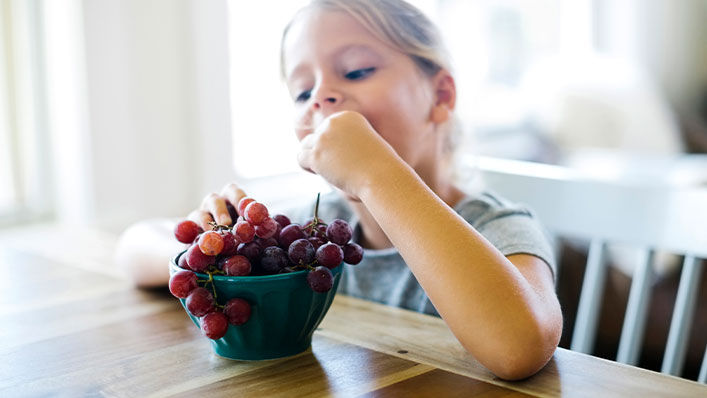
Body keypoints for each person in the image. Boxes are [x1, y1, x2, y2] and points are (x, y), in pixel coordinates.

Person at [115, 0, 562, 380]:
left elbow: (518, 347)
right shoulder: (318, 233)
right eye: (301, 90)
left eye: (356, 71)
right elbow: (135, 245)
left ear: (441, 95)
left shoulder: (498, 226)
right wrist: (204, 250)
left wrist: (375, 172)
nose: (321, 96)